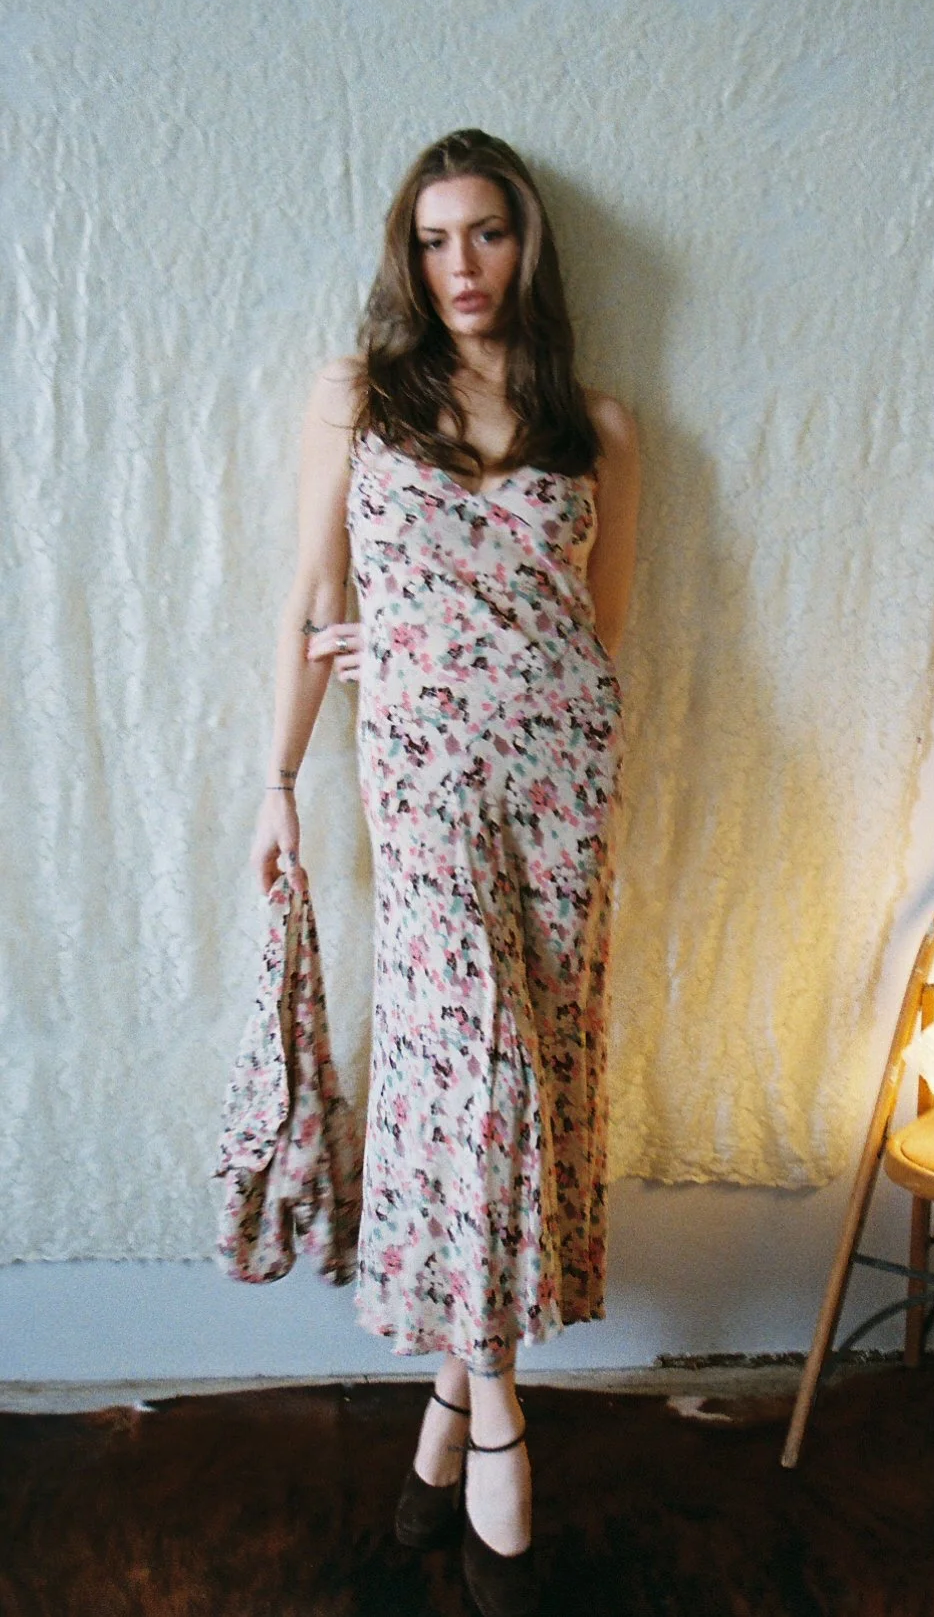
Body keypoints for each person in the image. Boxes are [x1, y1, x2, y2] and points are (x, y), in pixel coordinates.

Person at [249, 129, 639, 1617]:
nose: (460, 266)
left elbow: (601, 631)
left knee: (535, 1070)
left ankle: (439, 1416)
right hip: (418, 786)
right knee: (476, 1074)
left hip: (562, 787)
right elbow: (312, 595)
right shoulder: (359, 397)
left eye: (485, 233)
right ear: (405, 257)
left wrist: (475, 650)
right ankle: (497, 1416)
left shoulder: (599, 424)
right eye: (432, 239)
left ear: (526, 244)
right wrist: (278, 781)